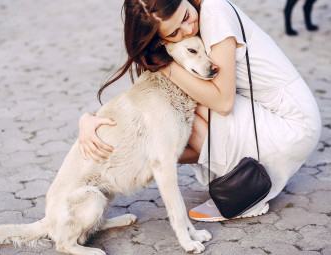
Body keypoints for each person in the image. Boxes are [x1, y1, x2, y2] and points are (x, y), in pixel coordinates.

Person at [78, 0, 321, 222]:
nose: (188, 29)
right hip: (263, 112)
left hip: (290, 122)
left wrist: (165, 65)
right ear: (160, 40)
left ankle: (247, 189)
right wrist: (94, 123)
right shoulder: (193, 24)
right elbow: (144, 106)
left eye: (185, 16)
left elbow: (223, 103)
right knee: (163, 124)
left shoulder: (214, 10)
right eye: (174, 33)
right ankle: (117, 163)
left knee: (178, 105)